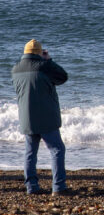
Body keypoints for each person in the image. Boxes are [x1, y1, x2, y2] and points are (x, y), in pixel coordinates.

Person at [11, 39, 69, 195]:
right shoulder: (44, 66)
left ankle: (32, 187)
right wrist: (49, 60)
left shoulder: (16, 69)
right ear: (39, 53)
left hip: (26, 117)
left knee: (30, 152)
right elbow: (63, 77)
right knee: (57, 149)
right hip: (46, 117)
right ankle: (58, 186)